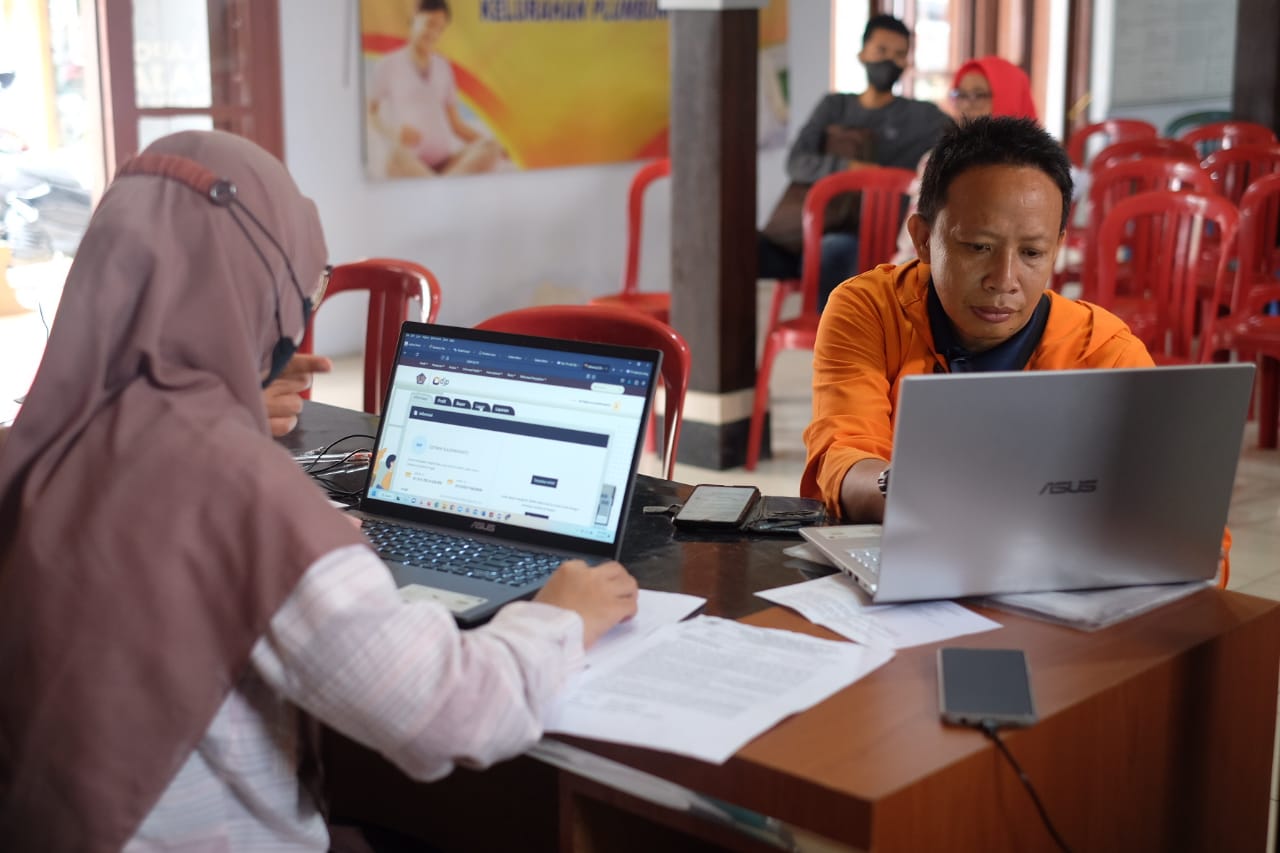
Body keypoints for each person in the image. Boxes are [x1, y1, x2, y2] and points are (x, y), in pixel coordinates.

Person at [0, 130, 638, 850]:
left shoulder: (36, 440)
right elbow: (450, 713)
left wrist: (236, 401)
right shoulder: (242, 490)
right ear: (266, 293)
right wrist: (561, 618)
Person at [801, 116, 1155, 524]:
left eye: (1032, 253)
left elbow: (1167, 500)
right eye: (979, 247)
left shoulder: (1104, 353)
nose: (1004, 281)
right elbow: (843, 457)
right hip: (912, 541)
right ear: (923, 239)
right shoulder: (872, 310)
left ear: (1057, 248)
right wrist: (910, 490)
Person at [759, 14, 951, 312]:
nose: (889, 61)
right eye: (881, 50)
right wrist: (852, 170)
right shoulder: (835, 106)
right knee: (739, 249)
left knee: (834, 250)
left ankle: (836, 333)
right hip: (808, 228)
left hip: (867, 237)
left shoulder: (922, 117)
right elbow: (797, 162)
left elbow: (962, 140)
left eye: (899, 54)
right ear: (862, 54)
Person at [891, 55, 1038, 264]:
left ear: (1009, 97)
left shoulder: (1038, 169)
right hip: (935, 271)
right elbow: (912, 242)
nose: (967, 106)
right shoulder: (939, 159)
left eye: (979, 95)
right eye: (961, 95)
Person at [368, 0, 502, 178]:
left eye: (440, 28)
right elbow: (369, 112)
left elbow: (457, 125)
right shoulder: (388, 64)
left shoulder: (443, 66)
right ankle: (442, 186)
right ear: (414, 18)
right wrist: (394, 132)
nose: (434, 33)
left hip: (447, 164)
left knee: (491, 146)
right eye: (430, 24)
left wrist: (495, 147)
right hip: (411, 163)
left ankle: (437, 186)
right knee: (393, 158)